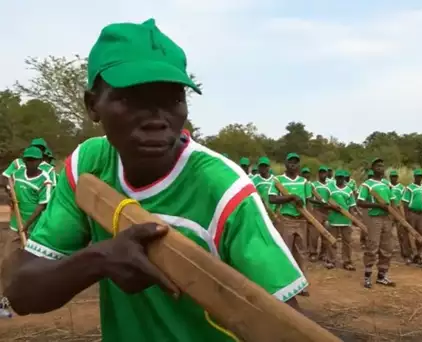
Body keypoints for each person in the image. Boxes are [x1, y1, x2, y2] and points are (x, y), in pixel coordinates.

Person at [5, 19, 308, 342]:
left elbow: (287, 325)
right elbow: (22, 293)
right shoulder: (88, 165)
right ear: (93, 105)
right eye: (132, 98)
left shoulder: (223, 190)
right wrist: (99, 259)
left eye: (172, 99)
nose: (156, 120)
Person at [0, 147, 53, 318]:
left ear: (39, 162)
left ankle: (38, 297)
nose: (29, 163)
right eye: (27, 159)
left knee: (34, 265)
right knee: (7, 261)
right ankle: (6, 299)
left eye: (33, 160)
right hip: (16, 227)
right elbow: (8, 184)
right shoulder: (17, 173)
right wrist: (9, 195)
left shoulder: (45, 180)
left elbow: (42, 204)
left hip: (35, 228)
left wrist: (27, 224)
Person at [269, 152, 312, 296]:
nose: (293, 165)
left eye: (296, 162)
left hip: (301, 220)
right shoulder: (277, 180)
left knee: (301, 253)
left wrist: (309, 219)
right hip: (285, 220)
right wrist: (291, 197)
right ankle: (285, 284)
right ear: (285, 164)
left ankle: (301, 285)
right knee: (285, 251)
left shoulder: (304, 182)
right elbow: (272, 199)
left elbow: (308, 201)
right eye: (290, 162)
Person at [357, 158, 396, 288]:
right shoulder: (367, 185)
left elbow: (392, 201)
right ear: (372, 169)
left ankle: (382, 276)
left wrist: (395, 215)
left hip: (387, 218)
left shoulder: (387, 183)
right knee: (372, 246)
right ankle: (367, 276)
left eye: (382, 166)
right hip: (375, 219)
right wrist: (377, 205)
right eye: (378, 166)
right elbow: (360, 202)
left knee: (387, 248)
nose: (381, 168)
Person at [326, 170, 357, 271]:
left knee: (347, 242)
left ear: (345, 179)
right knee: (332, 241)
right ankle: (331, 261)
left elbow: (352, 206)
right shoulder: (330, 188)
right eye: (338, 177)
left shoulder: (349, 190)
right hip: (333, 219)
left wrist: (351, 218)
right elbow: (325, 202)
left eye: (342, 178)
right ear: (335, 178)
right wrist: (332, 207)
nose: (340, 179)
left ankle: (347, 262)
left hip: (345, 219)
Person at [401, 169, 422, 265]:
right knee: (409, 235)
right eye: (417, 176)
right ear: (414, 177)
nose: (419, 178)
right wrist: (406, 215)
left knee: (420, 234)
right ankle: (408, 256)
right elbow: (405, 203)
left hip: (421, 214)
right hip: (412, 213)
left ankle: (419, 255)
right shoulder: (410, 188)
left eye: (420, 176)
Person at [310, 166, 331, 263]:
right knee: (314, 234)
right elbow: (309, 198)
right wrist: (319, 203)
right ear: (318, 174)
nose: (323, 174)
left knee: (326, 234)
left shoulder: (330, 185)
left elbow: (332, 198)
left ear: (327, 174)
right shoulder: (313, 185)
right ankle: (313, 253)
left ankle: (323, 254)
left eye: (324, 173)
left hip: (327, 212)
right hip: (316, 211)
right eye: (321, 173)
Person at [358, 169, 374, 248]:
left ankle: (371, 241)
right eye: (369, 176)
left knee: (373, 226)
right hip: (366, 208)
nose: (371, 178)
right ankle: (363, 241)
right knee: (365, 225)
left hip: (374, 208)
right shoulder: (364, 185)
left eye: (372, 176)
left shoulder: (376, 185)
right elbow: (360, 198)